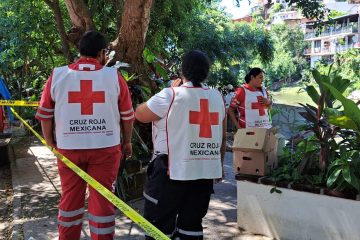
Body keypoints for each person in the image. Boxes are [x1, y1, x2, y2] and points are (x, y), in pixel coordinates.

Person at [35, 31, 134, 240]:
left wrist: (50, 142)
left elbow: (45, 113)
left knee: (70, 199)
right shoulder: (113, 76)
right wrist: (127, 142)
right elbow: (127, 116)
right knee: (102, 200)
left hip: (69, 149)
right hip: (106, 150)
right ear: (102, 53)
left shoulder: (58, 74)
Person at [135, 50, 226, 240]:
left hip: (170, 172)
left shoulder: (171, 95)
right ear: (206, 73)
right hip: (204, 171)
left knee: (159, 228)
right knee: (191, 226)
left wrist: (168, 91)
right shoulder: (217, 98)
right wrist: (219, 167)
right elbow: (222, 137)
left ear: (182, 71)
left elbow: (140, 114)